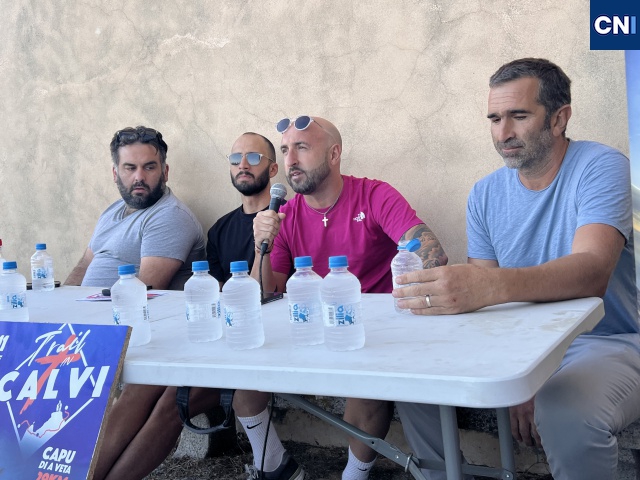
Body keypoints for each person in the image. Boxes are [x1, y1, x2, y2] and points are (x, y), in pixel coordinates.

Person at [393, 58, 640, 480]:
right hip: (522, 343)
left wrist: (489, 287)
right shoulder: (484, 193)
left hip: (607, 341)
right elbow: (486, 310)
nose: (503, 133)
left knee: (566, 412)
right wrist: (516, 373)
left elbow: (592, 272)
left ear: (559, 118)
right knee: (412, 376)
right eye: (494, 119)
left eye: (519, 116)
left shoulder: (601, 166)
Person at [238, 115, 448, 480]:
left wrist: (407, 296)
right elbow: (265, 293)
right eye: (285, 150)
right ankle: (273, 464)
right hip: (310, 329)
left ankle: (354, 474)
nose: (290, 160)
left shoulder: (374, 194)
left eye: (302, 148)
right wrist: (261, 247)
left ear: (334, 154)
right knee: (242, 369)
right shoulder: (284, 214)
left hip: (371, 334)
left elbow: (431, 252)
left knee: (365, 387)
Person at [64, 126, 214, 480]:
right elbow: (83, 265)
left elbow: (144, 290)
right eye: (130, 168)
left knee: (141, 396)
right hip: (91, 324)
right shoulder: (112, 212)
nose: (139, 177)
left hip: (144, 334)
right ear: (115, 173)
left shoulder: (169, 216)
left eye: (149, 167)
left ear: (165, 171)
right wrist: (62, 309)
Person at [207, 132, 279, 286]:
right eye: (235, 158)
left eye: (253, 157)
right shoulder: (219, 230)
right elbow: (217, 293)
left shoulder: (289, 217)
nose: (242, 165)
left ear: (272, 169)